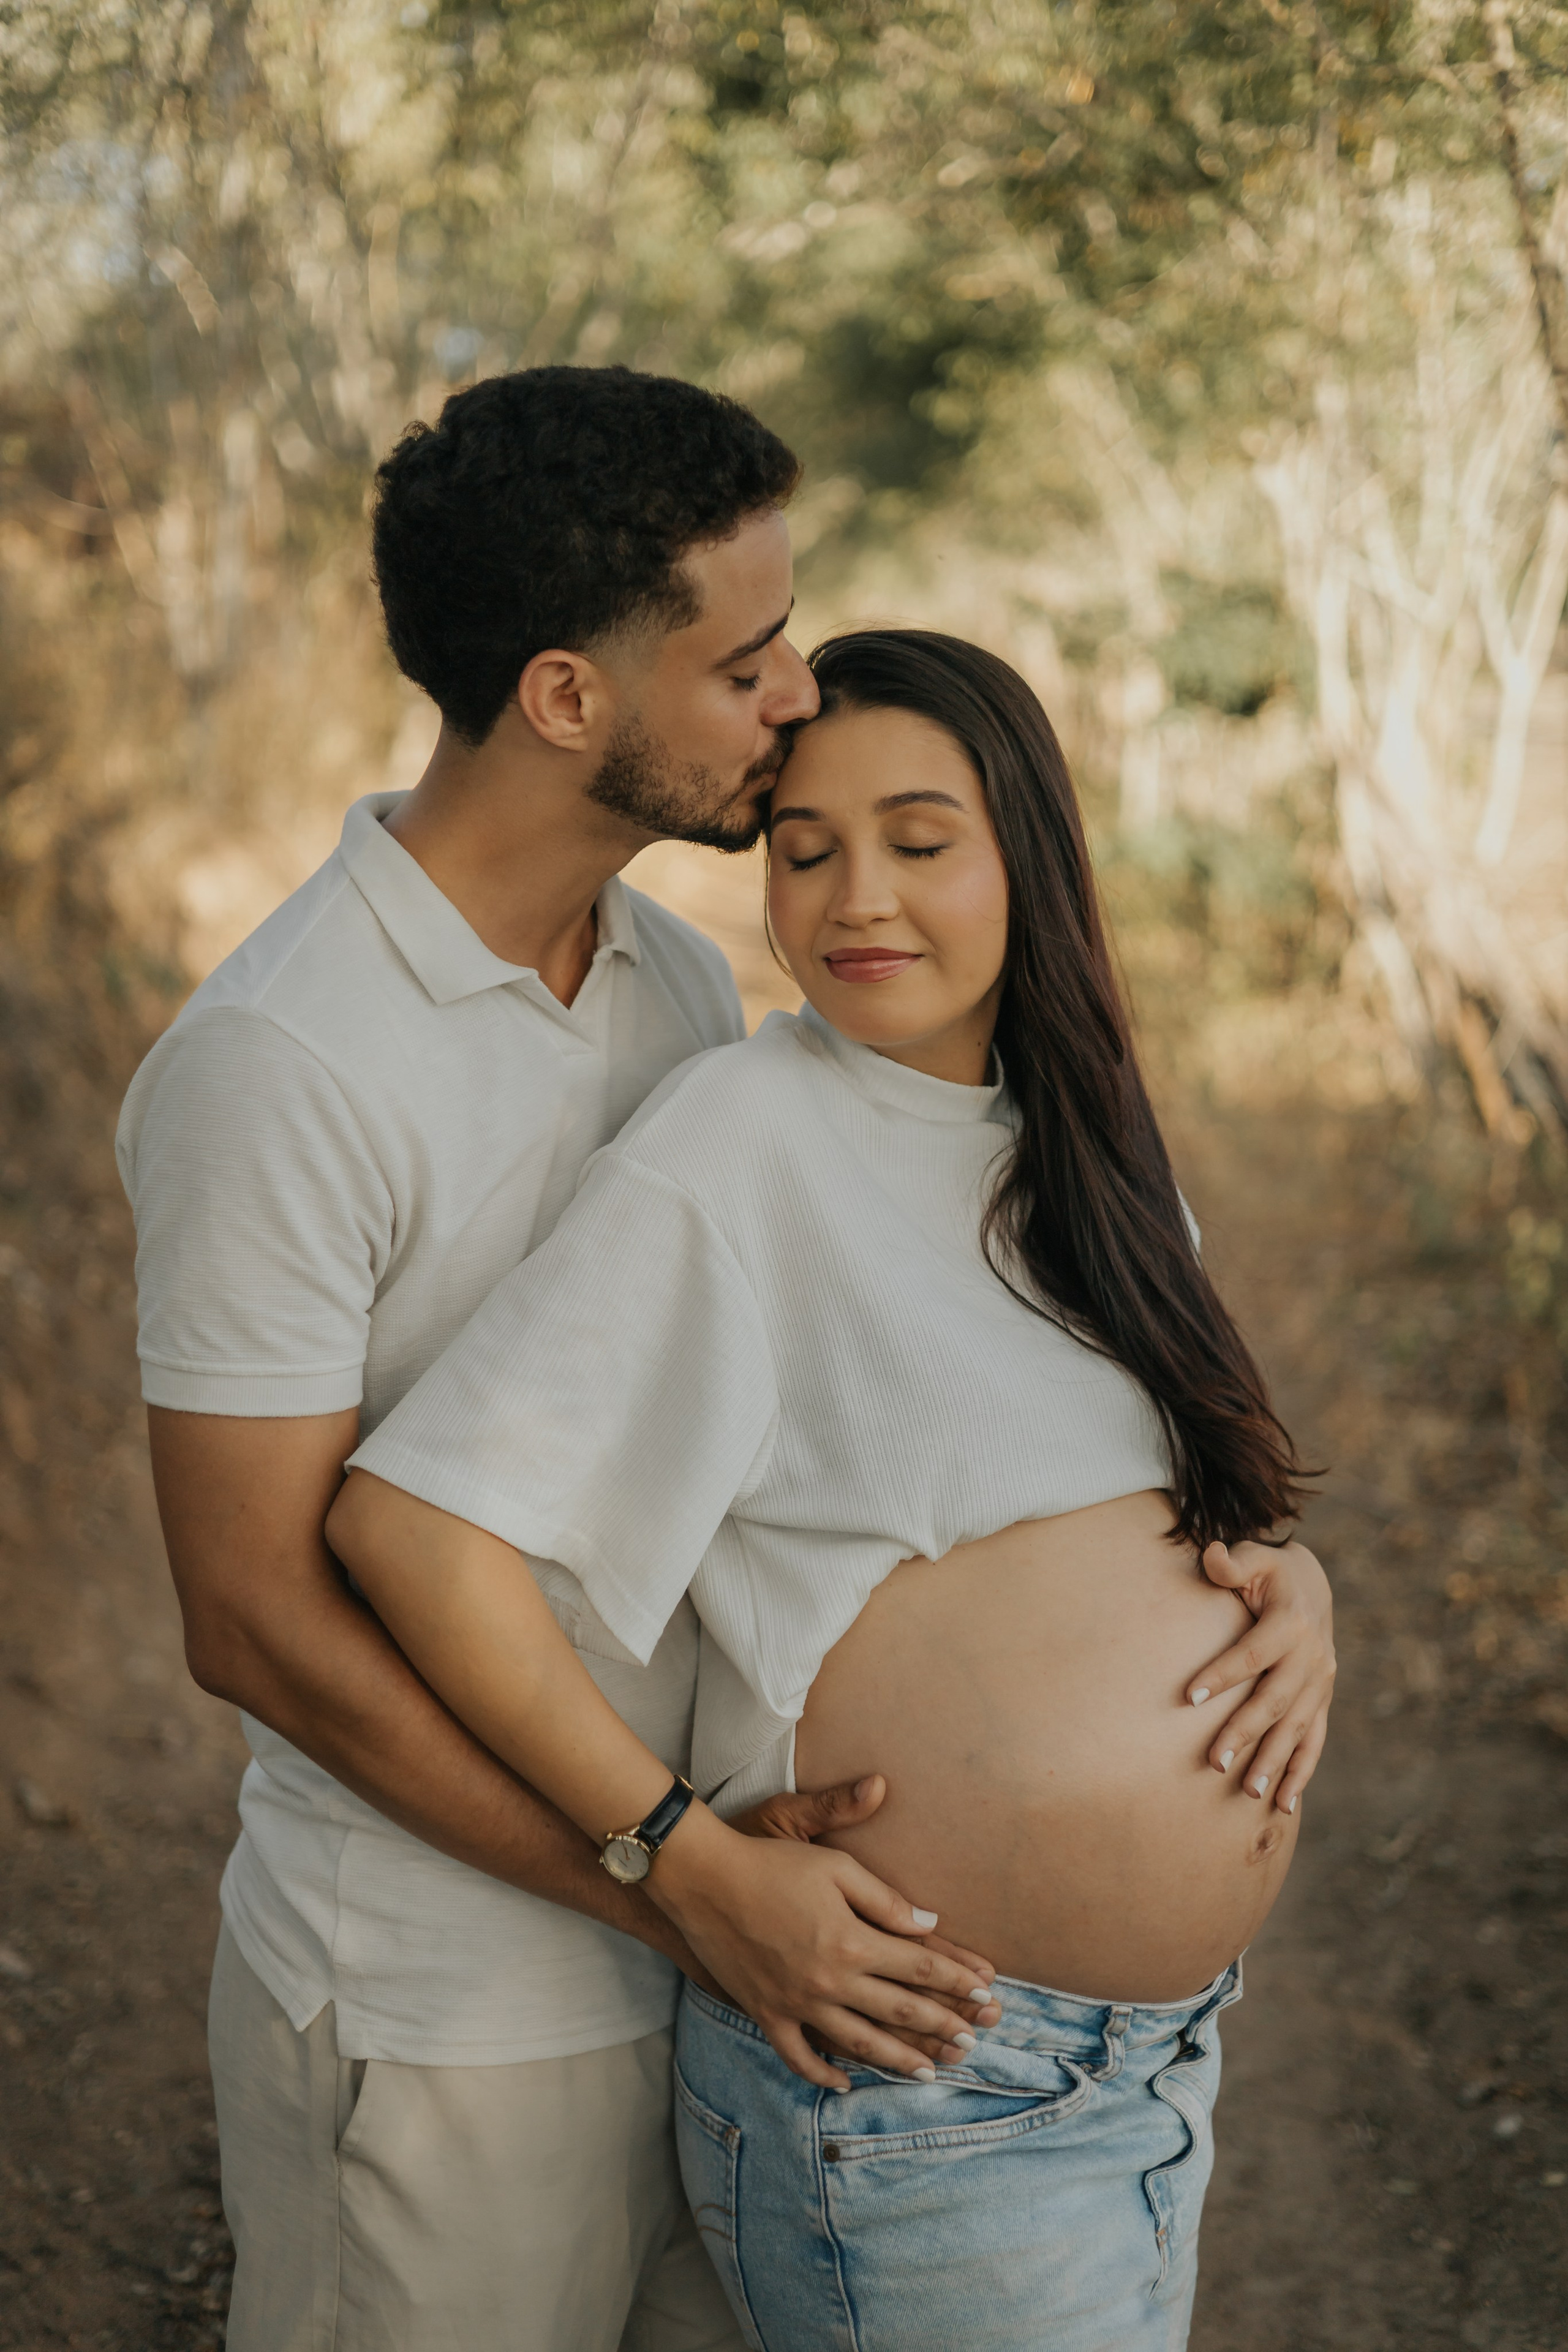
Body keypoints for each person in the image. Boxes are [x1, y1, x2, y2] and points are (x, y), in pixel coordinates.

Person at [116, 371, 1003, 2352]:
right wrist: (669, 1878)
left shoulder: (681, 974)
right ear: (567, 699)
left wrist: (1257, 1585)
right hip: (447, 2007)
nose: (799, 694)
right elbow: (251, 1616)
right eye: (749, 659)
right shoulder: (281, 1068)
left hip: (704, 1962)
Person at [325, 627, 1336, 2351]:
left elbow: (1123, 1482)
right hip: (922, 2082)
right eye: (806, 851)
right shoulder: (747, 1140)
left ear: (1031, 853)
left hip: (1149, 2064)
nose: (858, 897)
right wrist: (672, 1853)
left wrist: (1285, 1580)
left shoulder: (1087, 1147)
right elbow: (414, 1530)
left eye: (921, 843)